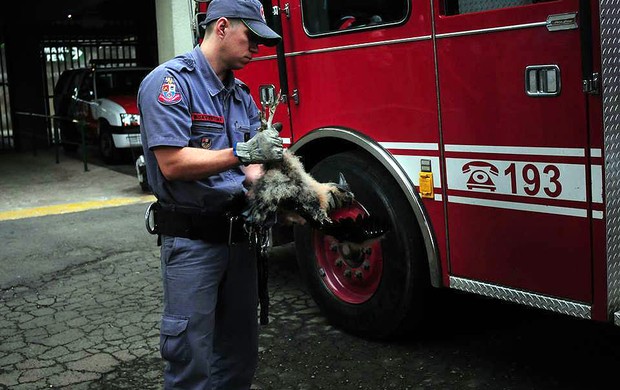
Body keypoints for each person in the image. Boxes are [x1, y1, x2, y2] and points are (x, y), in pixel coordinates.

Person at [137, 0, 282, 388]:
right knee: (191, 362)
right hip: (192, 243)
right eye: (250, 37)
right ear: (221, 27)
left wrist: (265, 182)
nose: (256, 48)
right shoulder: (170, 82)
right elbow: (172, 163)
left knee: (238, 359)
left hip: (241, 241)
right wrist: (242, 152)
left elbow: (254, 166)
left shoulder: (242, 95)